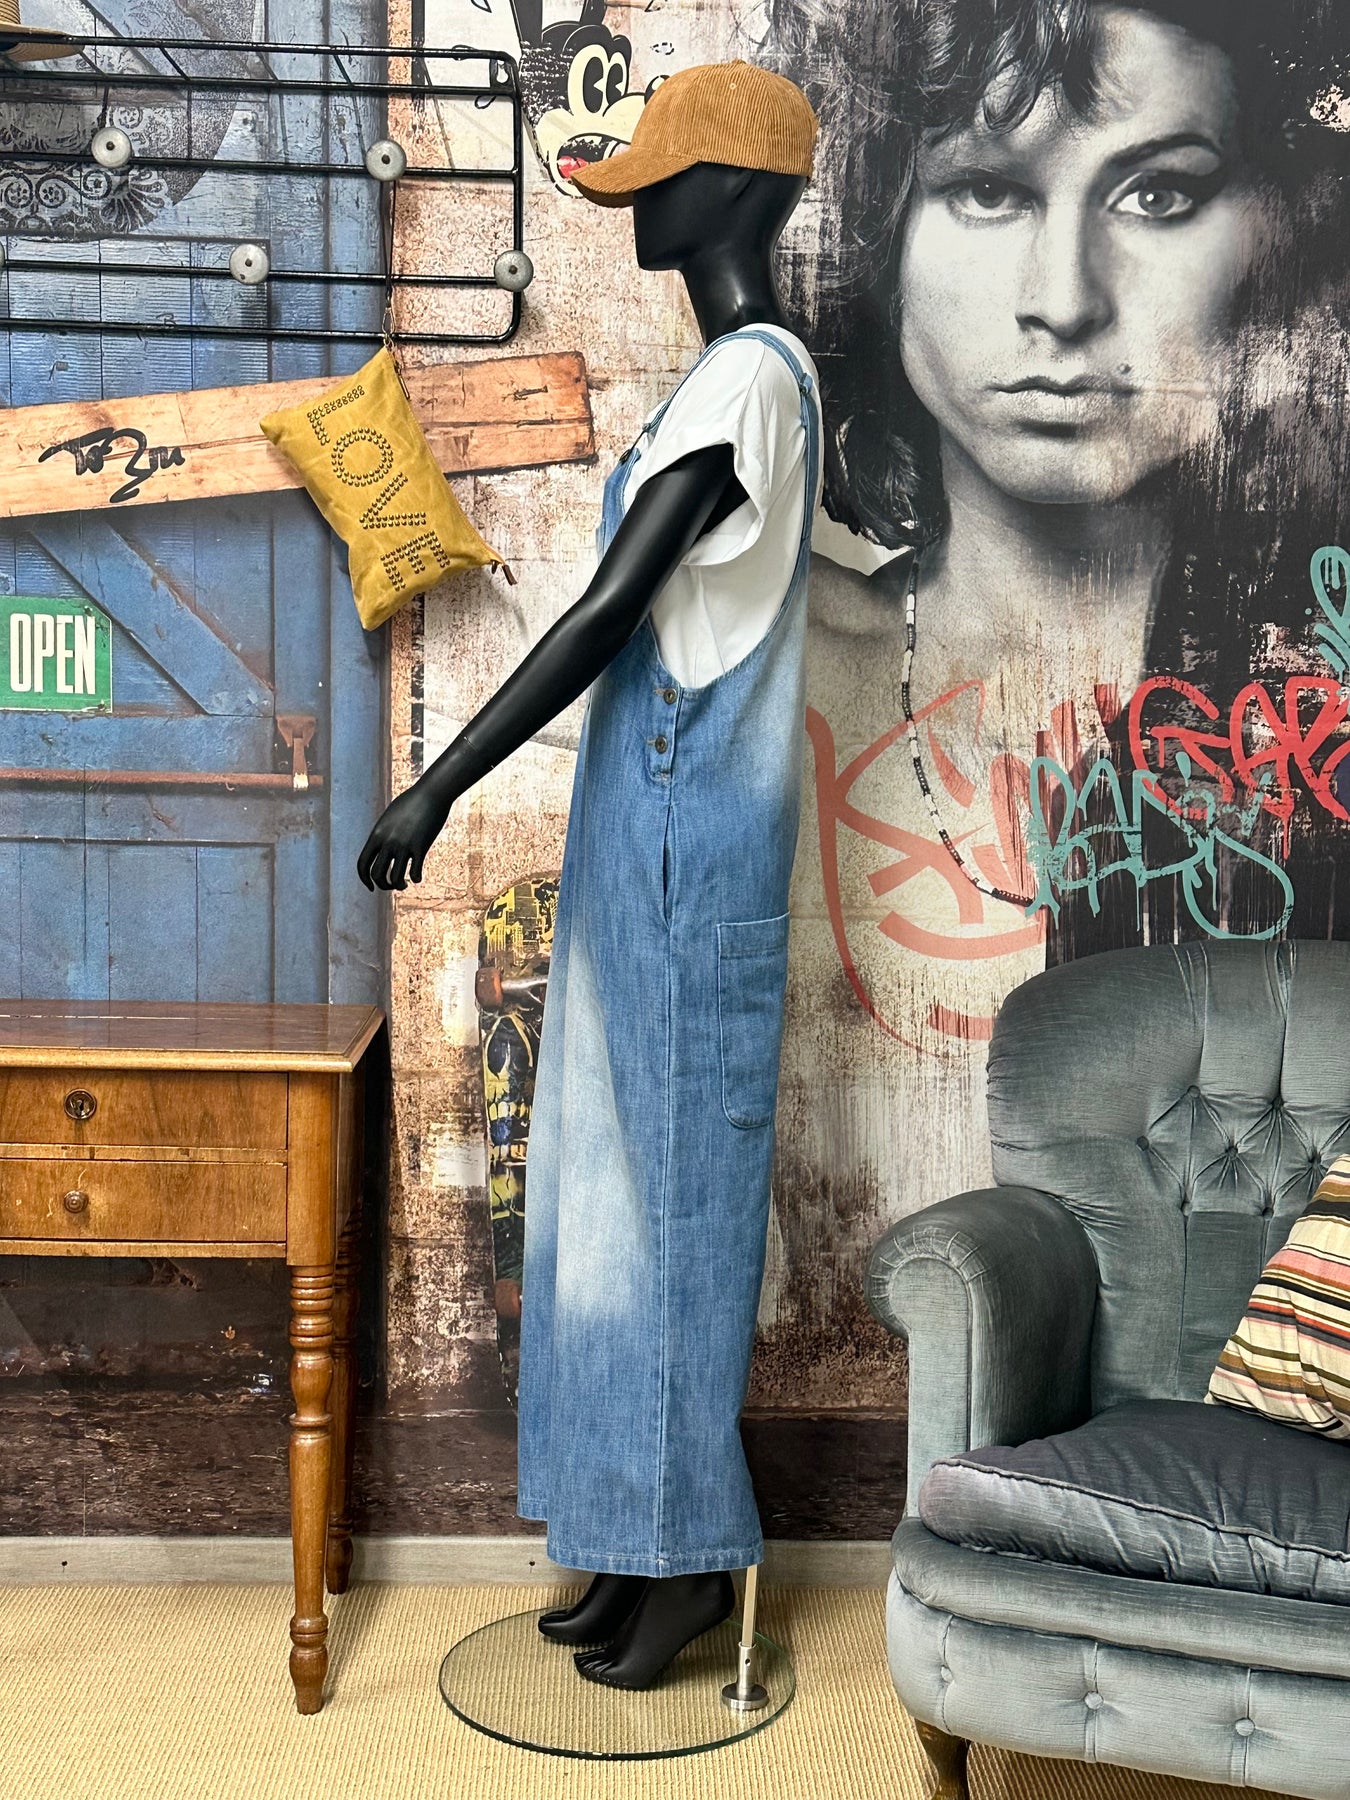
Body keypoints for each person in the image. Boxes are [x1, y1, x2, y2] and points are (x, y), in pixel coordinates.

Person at [750, 0, 1350, 1363]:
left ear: (1272, 233)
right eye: (984, 188)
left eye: (1158, 193)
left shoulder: (1317, 683)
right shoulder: (773, 675)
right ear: (877, 234)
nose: (1063, 300)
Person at [359, 60, 824, 1690]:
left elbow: (610, 614)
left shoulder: (749, 382)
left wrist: (437, 781)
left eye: (660, 178)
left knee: (673, 1207)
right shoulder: (727, 378)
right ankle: (624, 1543)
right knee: (603, 1204)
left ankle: (687, 1556)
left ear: (736, 191)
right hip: (650, 836)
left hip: (692, 842)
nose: (637, 208)